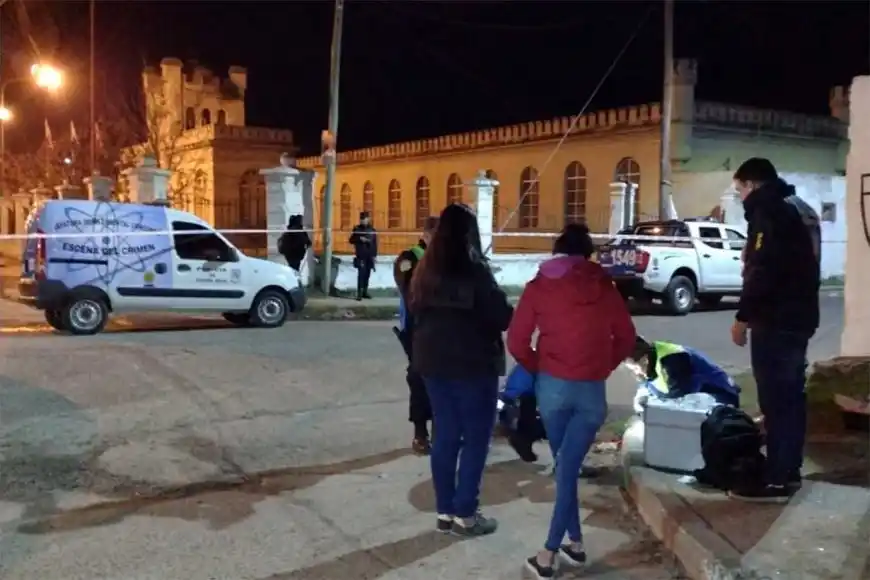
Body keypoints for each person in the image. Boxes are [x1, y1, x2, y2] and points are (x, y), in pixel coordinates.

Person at [507, 223, 636, 578]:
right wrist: (603, 365)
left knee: (565, 467)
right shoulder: (604, 286)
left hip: (553, 387)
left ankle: (548, 554)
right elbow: (626, 336)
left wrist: (540, 366)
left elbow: (517, 342)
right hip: (591, 389)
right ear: (587, 253)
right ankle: (575, 545)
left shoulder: (539, 286)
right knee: (567, 467)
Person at [409, 203, 513, 537]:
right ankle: (465, 514)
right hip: (472, 365)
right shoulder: (475, 270)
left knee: (446, 436)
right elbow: (501, 317)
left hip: (432, 363)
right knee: (476, 439)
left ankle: (445, 512)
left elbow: (414, 312)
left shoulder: (425, 270)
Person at [728, 157, 820, 503]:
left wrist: (742, 316)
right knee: (792, 398)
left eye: (740, 190)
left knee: (777, 399)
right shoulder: (797, 208)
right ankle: (788, 471)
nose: (740, 198)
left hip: (777, 320)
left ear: (752, 184)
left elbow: (762, 271)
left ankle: (778, 478)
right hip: (799, 317)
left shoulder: (768, 213)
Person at [393, 215, 439, 455]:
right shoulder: (409, 259)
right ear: (425, 235)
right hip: (417, 332)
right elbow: (409, 290)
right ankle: (420, 435)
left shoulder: (445, 261)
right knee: (419, 381)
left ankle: (441, 433)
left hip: (442, 334)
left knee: (443, 384)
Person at [630, 336, 741, 408]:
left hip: (720, 398)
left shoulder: (672, 360)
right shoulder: (650, 361)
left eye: (635, 368)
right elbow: (647, 388)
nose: (636, 373)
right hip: (699, 398)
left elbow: (678, 396)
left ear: (645, 359)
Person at [348, 212, 378, 300]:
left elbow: (375, 244)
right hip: (361, 255)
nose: (363, 221)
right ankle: (359, 293)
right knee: (361, 274)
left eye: (364, 219)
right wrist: (359, 239)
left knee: (367, 274)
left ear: (368, 219)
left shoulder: (372, 230)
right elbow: (351, 240)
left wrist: (374, 256)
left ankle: (365, 291)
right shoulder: (357, 229)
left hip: (369, 255)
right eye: (361, 219)